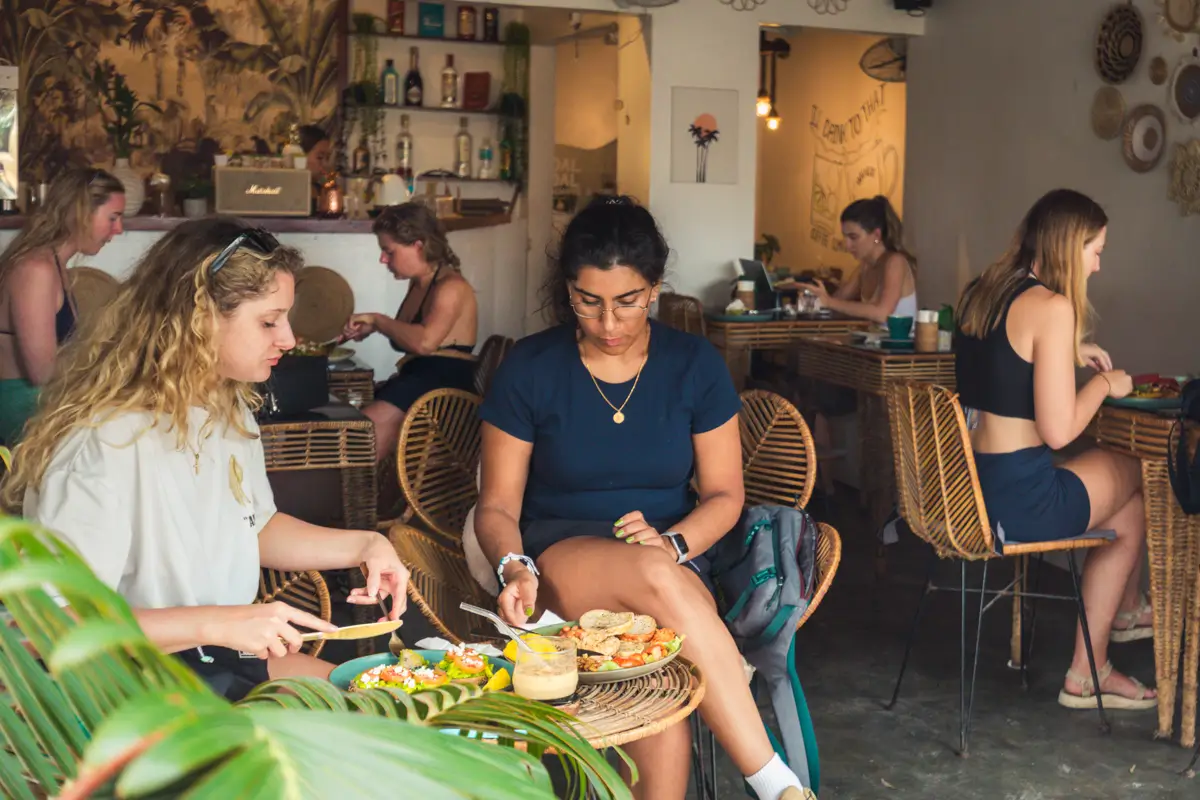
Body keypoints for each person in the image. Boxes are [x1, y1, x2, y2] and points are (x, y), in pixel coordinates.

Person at [474, 196, 811, 800]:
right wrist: (511, 564)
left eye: (627, 302)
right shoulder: (531, 368)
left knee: (662, 674)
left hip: (678, 565)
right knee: (660, 591)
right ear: (567, 291)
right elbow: (496, 505)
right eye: (589, 302)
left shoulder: (694, 366)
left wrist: (676, 542)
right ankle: (775, 783)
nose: (608, 323)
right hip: (561, 561)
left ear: (654, 289)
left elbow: (725, 495)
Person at [2, 216, 410, 701]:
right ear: (197, 317)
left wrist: (364, 546)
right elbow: (57, 625)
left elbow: (253, 525)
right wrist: (222, 623)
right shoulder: (104, 441)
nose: (289, 339)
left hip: (214, 660)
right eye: (268, 321)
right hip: (129, 687)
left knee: (382, 705)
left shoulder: (227, 405)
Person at [955, 188, 1155, 711]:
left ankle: (1099, 660)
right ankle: (1109, 642)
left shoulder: (985, 290)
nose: (1097, 266)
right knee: (1135, 470)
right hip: (1020, 502)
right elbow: (1059, 431)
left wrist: (1067, 350)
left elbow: (1005, 361)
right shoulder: (1054, 306)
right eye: (1096, 251)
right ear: (1070, 248)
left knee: (1129, 512)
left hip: (969, 491)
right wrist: (1104, 385)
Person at [343, 203, 478, 462]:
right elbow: (409, 334)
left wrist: (379, 321)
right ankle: (362, 497)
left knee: (362, 432)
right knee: (353, 422)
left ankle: (360, 498)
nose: (383, 259)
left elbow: (425, 343)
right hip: (419, 380)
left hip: (442, 388)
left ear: (418, 245)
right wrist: (371, 328)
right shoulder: (420, 284)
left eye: (389, 251)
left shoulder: (452, 287)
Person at [0, 167, 124, 444]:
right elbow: (42, 373)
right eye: (113, 218)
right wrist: (106, 370)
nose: (119, 230)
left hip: (42, 400)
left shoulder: (55, 266)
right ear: (81, 213)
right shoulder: (36, 270)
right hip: (20, 407)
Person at [801, 195, 917, 324]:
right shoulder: (865, 266)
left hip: (900, 344)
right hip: (874, 341)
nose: (847, 245)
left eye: (853, 237)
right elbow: (837, 303)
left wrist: (829, 302)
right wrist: (814, 300)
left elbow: (883, 314)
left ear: (876, 235)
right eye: (845, 237)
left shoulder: (895, 262)